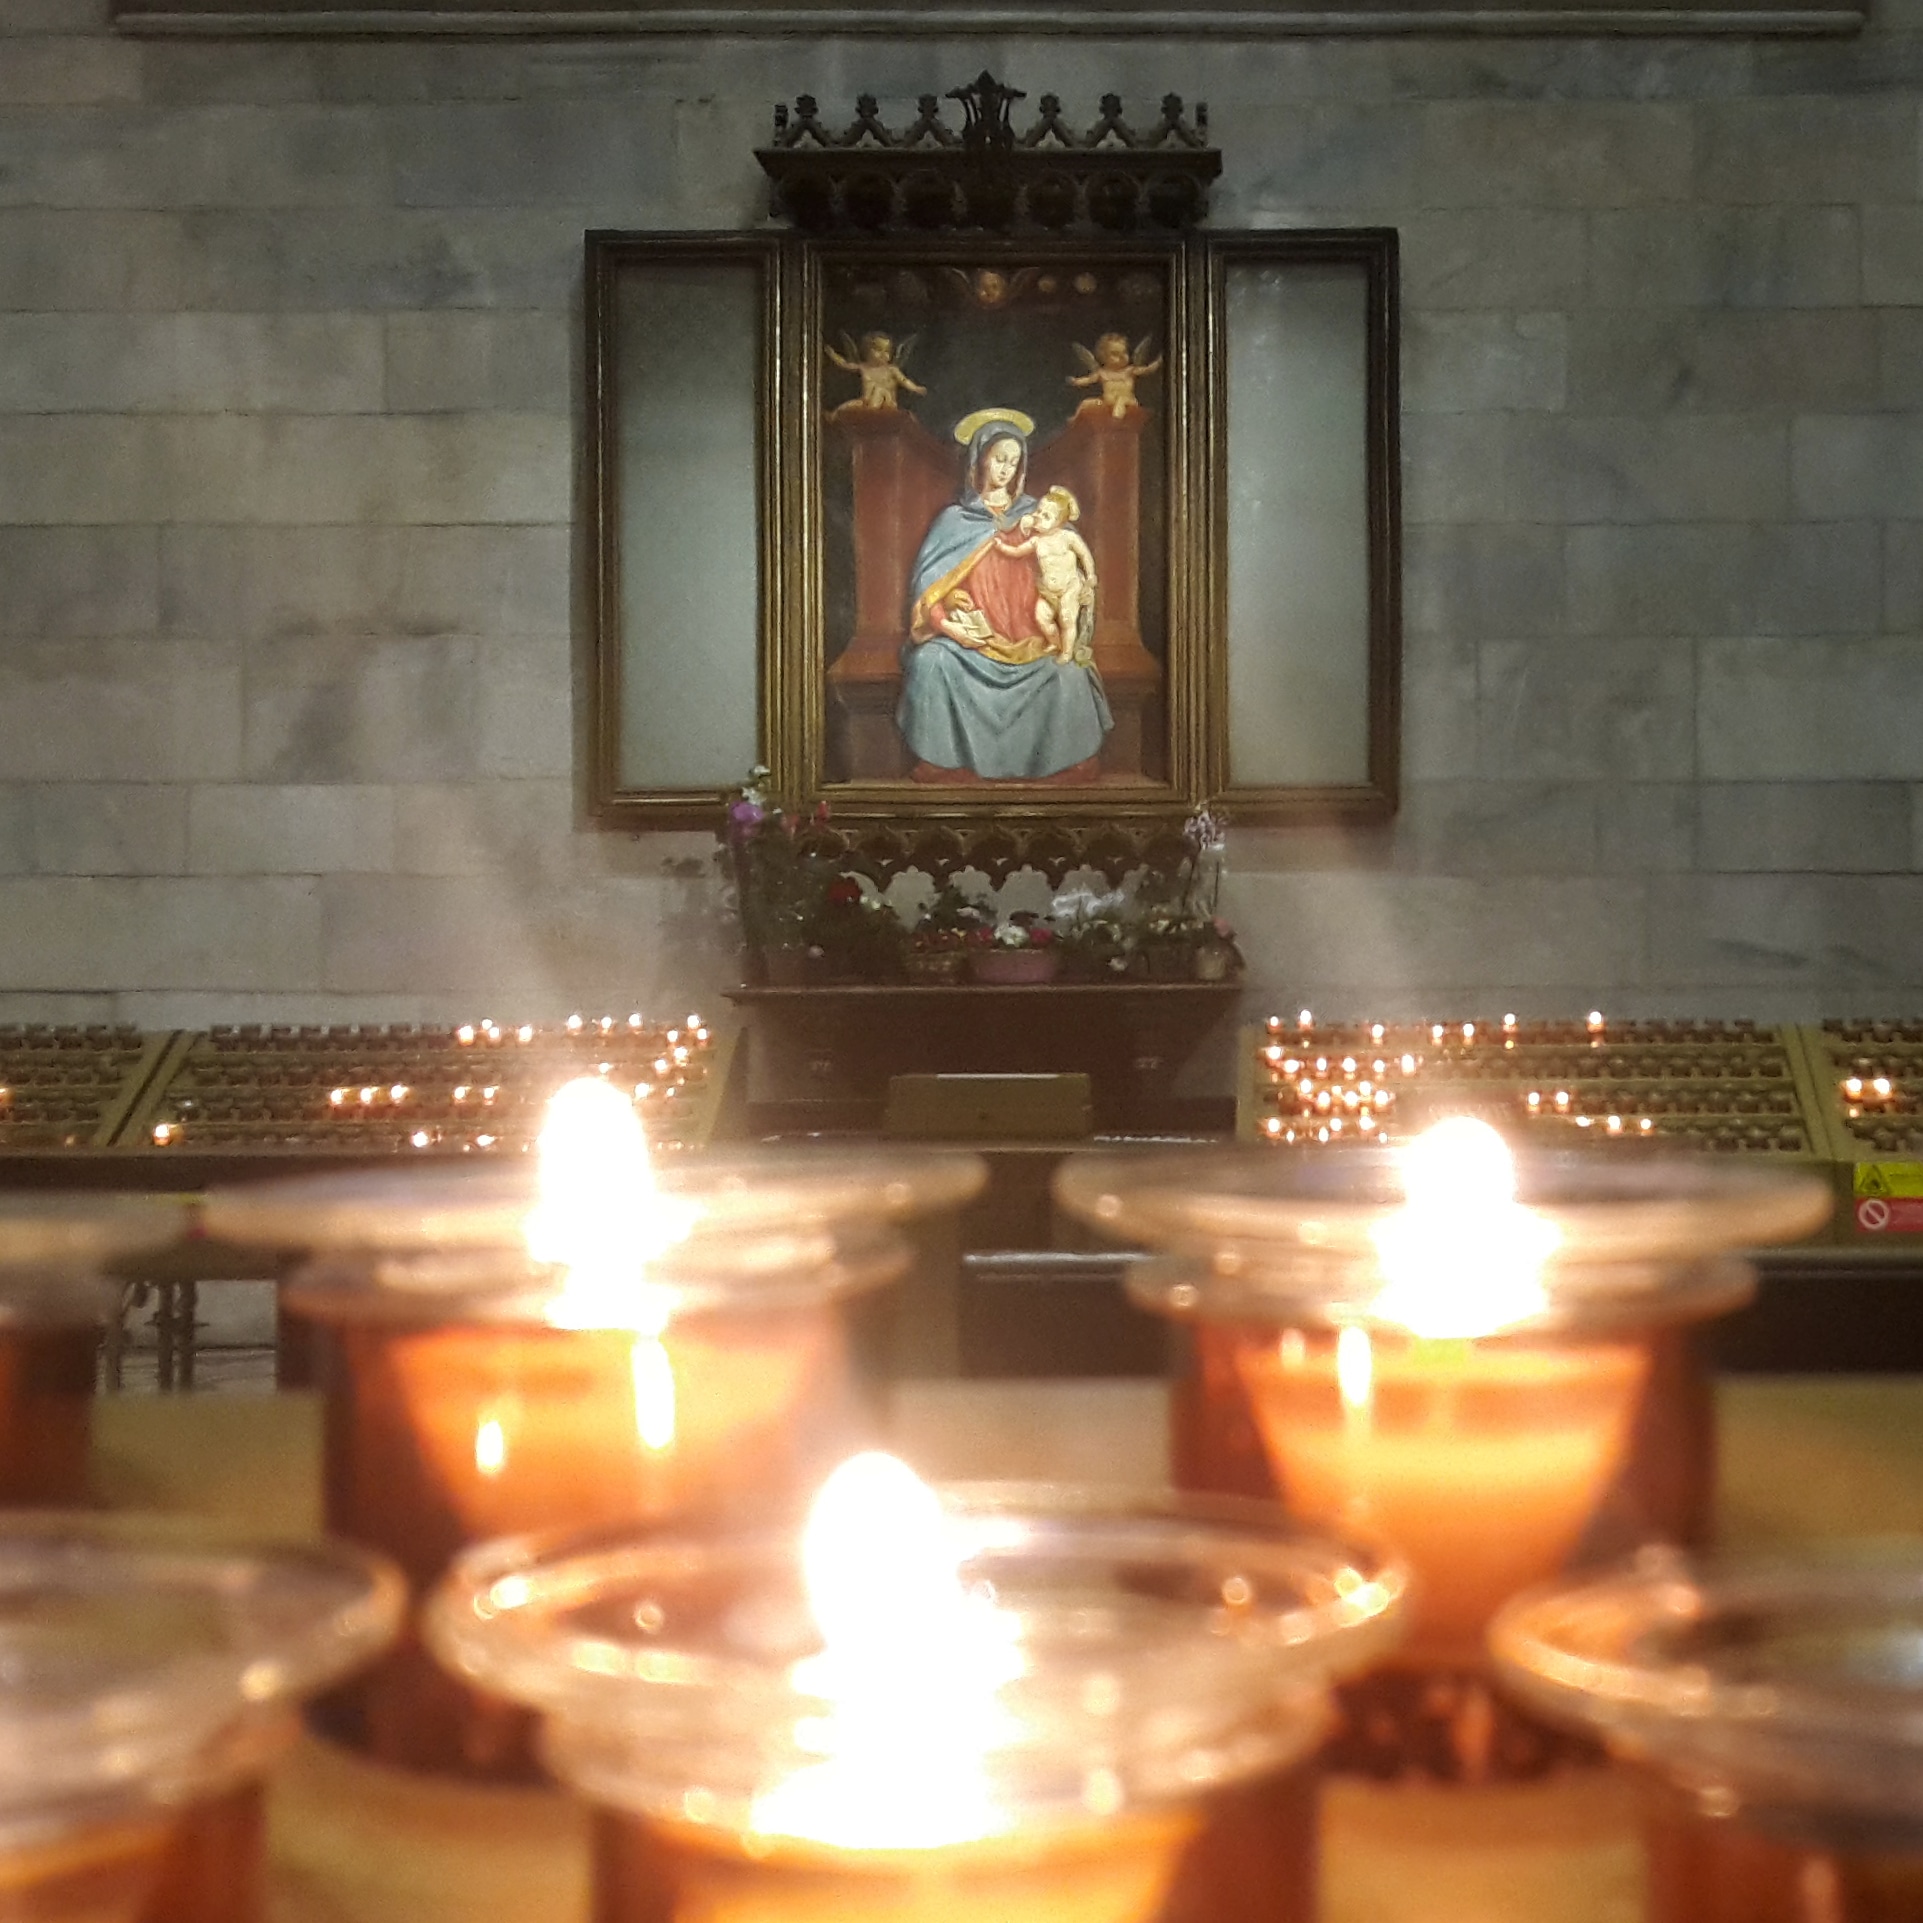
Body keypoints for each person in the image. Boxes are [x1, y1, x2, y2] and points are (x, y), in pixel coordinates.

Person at [895, 411, 1112, 781]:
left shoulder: (1040, 517)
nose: (1005, 469)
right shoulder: (954, 522)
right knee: (930, 663)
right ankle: (943, 763)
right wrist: (951, 623)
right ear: (979, 461)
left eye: (1013, 461)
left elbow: (1070, 573)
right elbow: (928, 597)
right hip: (971, 647)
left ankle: (1065, 763)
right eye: (998, 458)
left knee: (1070, 675)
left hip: (1031, 640)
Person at [996, 485, 1096, 663]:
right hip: (1048, 591)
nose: (1038, 517)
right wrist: (1002, 547)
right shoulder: (1036, 541)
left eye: (1046, 516)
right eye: (1039, 511)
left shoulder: (1067, 538)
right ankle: (1055, 642)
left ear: (1059, 522)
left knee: (1066, 618)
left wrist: (1090, 575)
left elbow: (1084, 555)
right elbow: (1017, 551)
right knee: (1041, 618)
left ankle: (1067, 651)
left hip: (1069, 588)